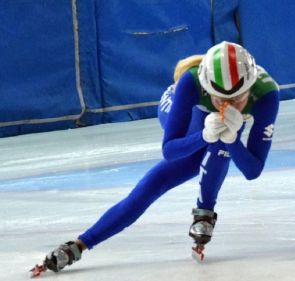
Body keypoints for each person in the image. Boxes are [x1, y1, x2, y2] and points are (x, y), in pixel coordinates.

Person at [38, 41, 280, 272]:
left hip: (213, 126)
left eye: (236, 100)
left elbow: (252, 171)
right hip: (178, 107)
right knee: (156, 181)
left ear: (250, 88)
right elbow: (170, 149)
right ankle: (81, 243)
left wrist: (233, 140)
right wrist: (203, 136)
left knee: (225, 137)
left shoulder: (266, 94)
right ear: (207, 88)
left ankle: (205, 211)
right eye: (218, 99)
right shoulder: (191, 82)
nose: (226, 106)